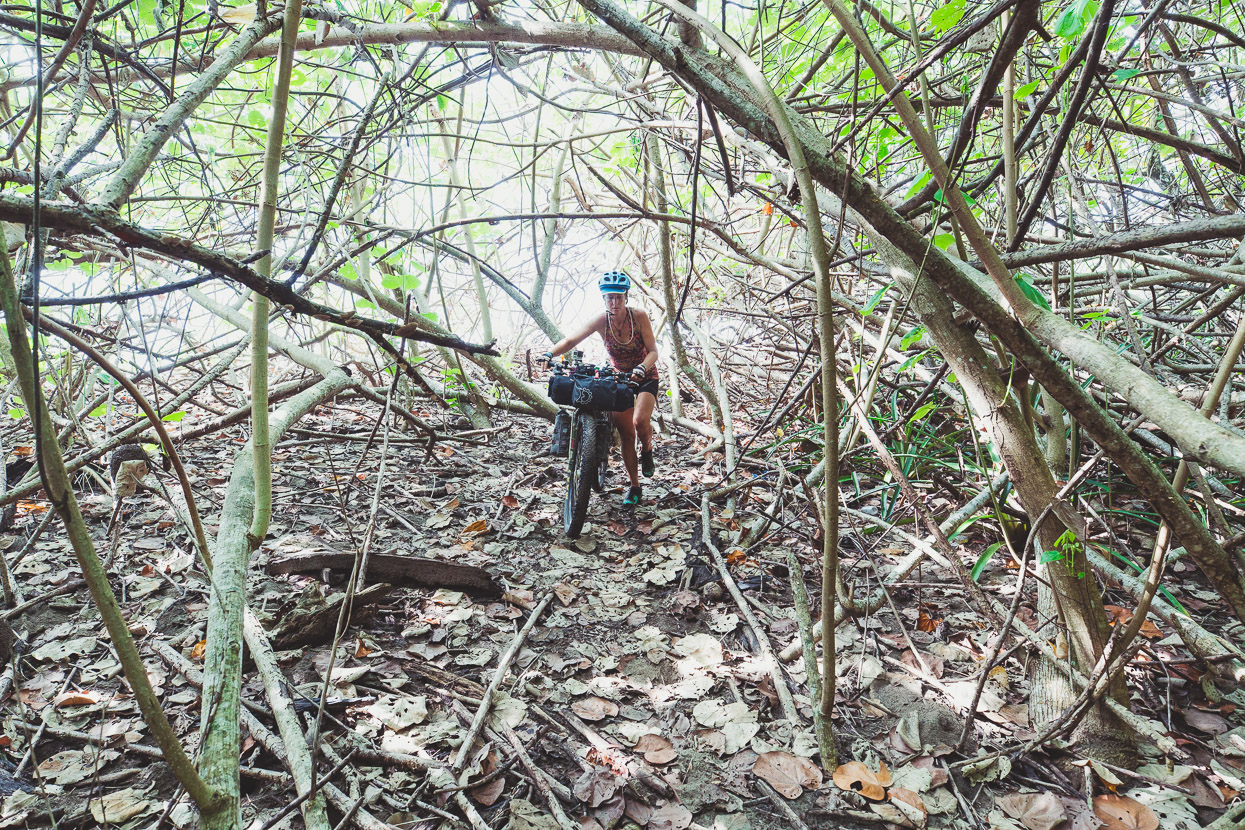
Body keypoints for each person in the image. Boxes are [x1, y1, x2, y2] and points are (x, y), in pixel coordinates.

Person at [550, 271, 659, 506]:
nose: (614, 302)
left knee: (640, 422)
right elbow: (570, 341)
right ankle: (634, 486)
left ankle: (648, 450)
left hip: (645, 376)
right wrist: (550, 353)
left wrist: (641, 368)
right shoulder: (601, 320)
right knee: (627, 434)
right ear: (604, 299)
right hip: (620, 380)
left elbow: (653, 351)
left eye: (619, 297)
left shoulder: (639, 317)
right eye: (609, 297)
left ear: (626, 297)